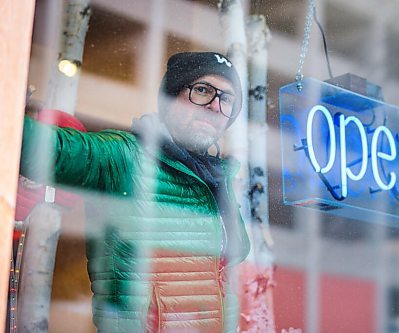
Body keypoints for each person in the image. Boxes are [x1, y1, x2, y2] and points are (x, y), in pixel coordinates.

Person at [20, 51, 250, 333]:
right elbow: (46, 149)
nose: (215, 106)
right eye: (202, 90)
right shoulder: (125, 156)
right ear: (171, 98)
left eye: (226, 99)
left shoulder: (218, 179)